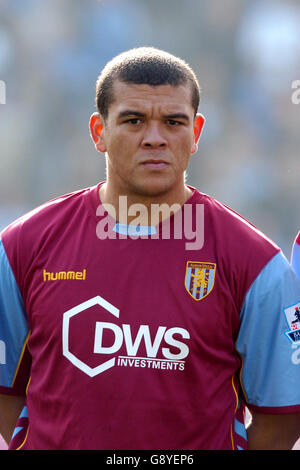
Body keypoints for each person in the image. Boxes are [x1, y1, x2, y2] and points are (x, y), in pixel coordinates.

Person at [0, 47, 299, 451]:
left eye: (174, 122)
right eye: (133, 120)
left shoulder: (255, 262)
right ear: (98, 132)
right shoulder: (23, 245)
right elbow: (5, 388)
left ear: (195, 134)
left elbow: (281, 417)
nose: (154, 138)